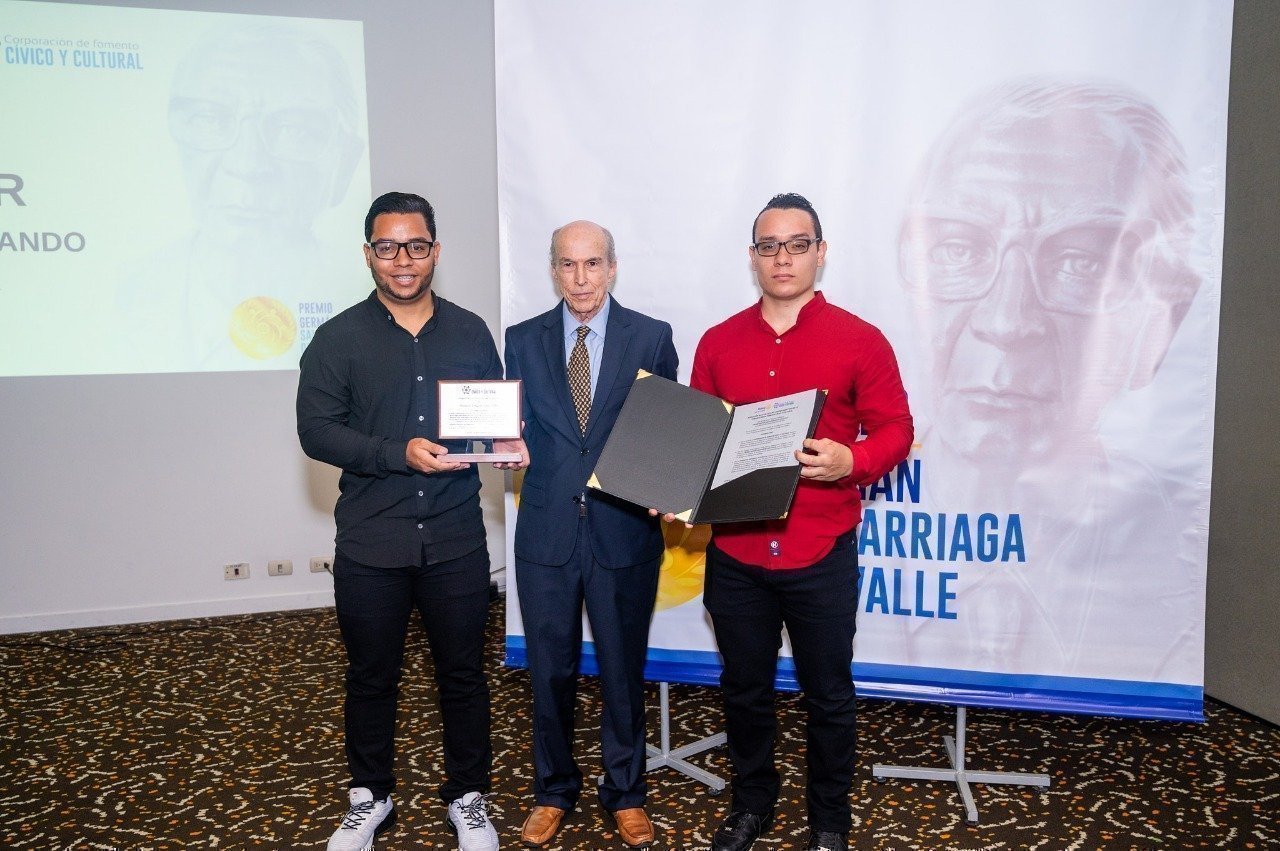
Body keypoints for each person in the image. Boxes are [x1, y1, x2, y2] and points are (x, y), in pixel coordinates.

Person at [894, 78, 1203, 678]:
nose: (1008, 321)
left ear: (1164, 317)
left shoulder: (1179, 550)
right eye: (959, 249)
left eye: (1080, 261)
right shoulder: (839, 510)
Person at [297, 191, 527, 851]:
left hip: (455, 538)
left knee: (463, 673)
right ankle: (369, 796)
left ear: (436, 249)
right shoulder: (337, 338)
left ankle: (469, 796)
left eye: (417, 245)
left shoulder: (469, 331)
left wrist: (510, 443)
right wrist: (394, 453)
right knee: (372, 674)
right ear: (369, 252)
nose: (404, 260)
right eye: (389, 246)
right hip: (372, 540)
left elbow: (493, 420)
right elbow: (316, 431)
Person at [685, 194, 913, 851]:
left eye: (796, 243)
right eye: (769, 245)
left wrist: (853, 458)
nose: (782, 258)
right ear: (751, 257)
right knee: (745, 690)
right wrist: (667, 483)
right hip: (738, 553)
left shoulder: (860, 339)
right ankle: (752, 803)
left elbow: (897, 429)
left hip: (822, 548)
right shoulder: (718, 342)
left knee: (829, 696)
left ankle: (830, 821)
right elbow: (697, 442)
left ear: (821, 251)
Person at [504, 221, 679, 848]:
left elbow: (665, 433)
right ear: (553, 269)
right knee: (548, 672)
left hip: (624, 534)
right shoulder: (520, 341)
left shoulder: (651, 338)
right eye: (568, 265)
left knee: (622, 670)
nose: (581, 279)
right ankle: (552, 791)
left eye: (593, 264)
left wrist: (672, 485)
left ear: (612, 267)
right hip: (547, 533)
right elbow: (513, 427)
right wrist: (504, 445)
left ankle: (626, 793)